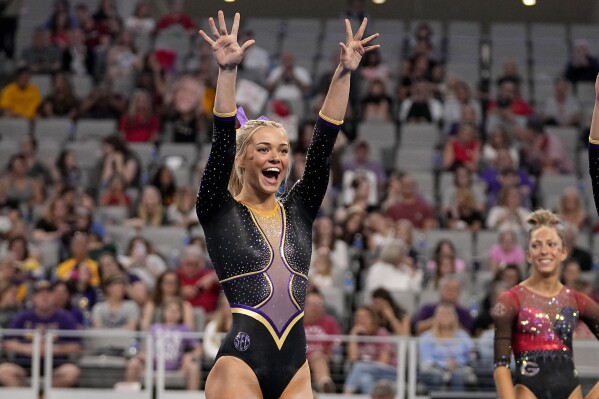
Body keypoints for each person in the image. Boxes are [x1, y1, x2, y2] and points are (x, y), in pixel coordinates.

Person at [195, 11, 379, 399]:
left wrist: (342, 75)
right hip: (240, 366)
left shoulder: (297, 210)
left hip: (296, 368)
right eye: (263, 149)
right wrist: (227, 72)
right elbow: (222, 144)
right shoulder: (219, 209)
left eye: (282, 150)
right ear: (245, 159)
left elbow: (323, 148)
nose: (276, 158)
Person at [492, 210, 599, 399]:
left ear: (563, 252)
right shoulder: (510, 299)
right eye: (536, 245)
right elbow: (501, 365)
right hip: (527, 390)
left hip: (570, 391)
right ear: (528, 254)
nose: (544, 251)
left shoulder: (576, 299)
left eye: (551, 244)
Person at [0, 280, 82, 388]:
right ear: (33, 298)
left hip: (56, 366)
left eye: (48, 293)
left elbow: (77, 346)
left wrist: (52, 349)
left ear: (54, 296)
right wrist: (28, 349)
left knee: (72, 372)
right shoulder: (22, 317)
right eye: (39, 294)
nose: (44, 297)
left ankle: (44, 395)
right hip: (25, 365)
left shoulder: (66, 318)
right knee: (4, 371)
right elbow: (7, 343)